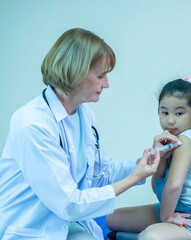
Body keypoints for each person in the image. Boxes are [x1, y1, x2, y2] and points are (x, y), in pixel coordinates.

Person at [0, 28, 180, 240]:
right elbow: (69, 204)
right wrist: (134, 178)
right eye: (101, 76)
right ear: (75, 72)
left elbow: (99, 176)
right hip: (32, 230)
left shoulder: (84, 115)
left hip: (67, 226)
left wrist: (147, 161)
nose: (107, 84)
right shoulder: (33, 124)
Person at [106, 77, 191, 240]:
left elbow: (173, 186)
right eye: (165, 112)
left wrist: (166, 218)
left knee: (150, 236)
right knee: (112, 219)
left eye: (179, 113)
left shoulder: (188, 138)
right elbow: (158, 188)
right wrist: (161, 156)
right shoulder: (174, 140)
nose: (170, 120)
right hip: (178, 209)